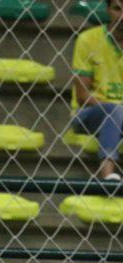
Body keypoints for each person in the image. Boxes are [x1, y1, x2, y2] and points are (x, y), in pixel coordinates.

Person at [71, 0, 123, 180]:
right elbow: (82, 96)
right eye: (117, 9)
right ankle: (108, 175)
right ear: (108, 10)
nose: (122, 16)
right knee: (114, 112)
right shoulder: (88, 40)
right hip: (88, 114)